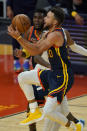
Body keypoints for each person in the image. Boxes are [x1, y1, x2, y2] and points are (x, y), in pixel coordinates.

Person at [8, 6, 86, 130]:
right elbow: (33, 50)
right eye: (38, 17)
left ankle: (76, 126)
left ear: (54, 22)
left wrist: (18, 38)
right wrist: (22, 49)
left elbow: (37, 51)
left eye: (47, 17)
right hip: (50, 73)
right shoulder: (45, 34)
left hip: (62, 76)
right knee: (22, 77)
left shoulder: (56, 34)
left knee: (52, 111)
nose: (43, 19)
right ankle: (35, 110)